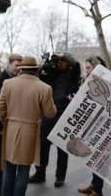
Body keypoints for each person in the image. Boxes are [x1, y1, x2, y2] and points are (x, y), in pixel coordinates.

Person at [0, 56, 57, 196]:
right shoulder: (44, 88)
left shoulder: (8, 83)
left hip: (11, 129)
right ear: (36, 69)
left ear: (21, 68)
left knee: (9, 169)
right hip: (30, 131)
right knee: (23, 171)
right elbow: (51, 113)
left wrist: (7, 119)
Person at [29, 52, 80, 187]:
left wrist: (64, 55)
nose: (60, 63)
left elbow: (76, 64)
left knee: (62, 147)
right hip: (49, 113)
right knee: (43, 145)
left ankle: (60, 177)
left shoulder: (72, 74)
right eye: (59, 61)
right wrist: (46, 65)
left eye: (62, 61)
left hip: (64, 114)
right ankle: (40, 173)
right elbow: (39, 78)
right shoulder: (52, 73)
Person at [0, 53, 22, 195]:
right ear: (9, 64)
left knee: (10, 157)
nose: (18, 69)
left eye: (20, 66)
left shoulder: (18, 81)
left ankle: (7, 183)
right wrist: (0, 127)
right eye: (16, 65)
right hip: (2, 126)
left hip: (14, 126)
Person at [77, 55, 105, 196]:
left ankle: (98, 192)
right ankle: (95, 185)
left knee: (98, 159)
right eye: (85, 68)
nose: (86, 71)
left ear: (96, 67)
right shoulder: (89, 80)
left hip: (100, 126)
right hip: (92, 125)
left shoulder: (101, 82)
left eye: (88, 68)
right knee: (94, 158)